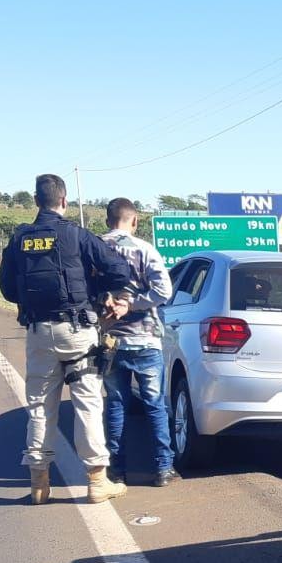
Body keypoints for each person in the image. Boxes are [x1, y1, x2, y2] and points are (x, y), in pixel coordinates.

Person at [0, 174, 133, 505]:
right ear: (64, 201)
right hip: (77, 331)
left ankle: (39, 484)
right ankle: (97, 482)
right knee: (88, 402)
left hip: (38, 333)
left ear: (35, 201)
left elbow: (7, 288)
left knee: (41, 407)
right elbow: (119, 270)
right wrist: (108, 295)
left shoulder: (19, 240)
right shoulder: (76, 235)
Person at [100, 198, 178, 487]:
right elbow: (163, 291)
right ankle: (163, 469)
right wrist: (132, 304)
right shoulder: (145, 250)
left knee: (116, 405)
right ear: (134, 221)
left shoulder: (94, 249)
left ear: (108, 220)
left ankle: (116, 470)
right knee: (155, 405)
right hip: (146, 339)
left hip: (110, 341)